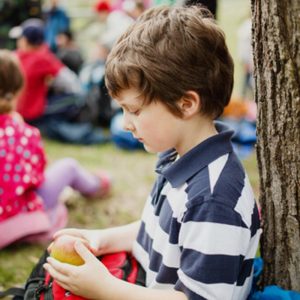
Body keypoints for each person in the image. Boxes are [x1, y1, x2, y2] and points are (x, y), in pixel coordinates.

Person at [44, 5, 261, 300]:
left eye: (134, 110)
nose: (125, 123)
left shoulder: (213, 197)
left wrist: (106, 289)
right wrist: (101, 240)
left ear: (186, 104)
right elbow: (157, 231)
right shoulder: (178, 156)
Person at [0, 49, 112, 250]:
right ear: (18, 90)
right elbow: (37, 175)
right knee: (68, 167)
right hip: (19, 220)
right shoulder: (24, 133)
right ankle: (97, 184)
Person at [9, 18, 109, 144]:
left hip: (13, 112)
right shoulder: (43, 58)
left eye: (21, 38)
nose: (18, 41)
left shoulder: (13, 56)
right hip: (33, 115)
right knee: (77, 99)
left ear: (27, 40)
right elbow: (73, 83)